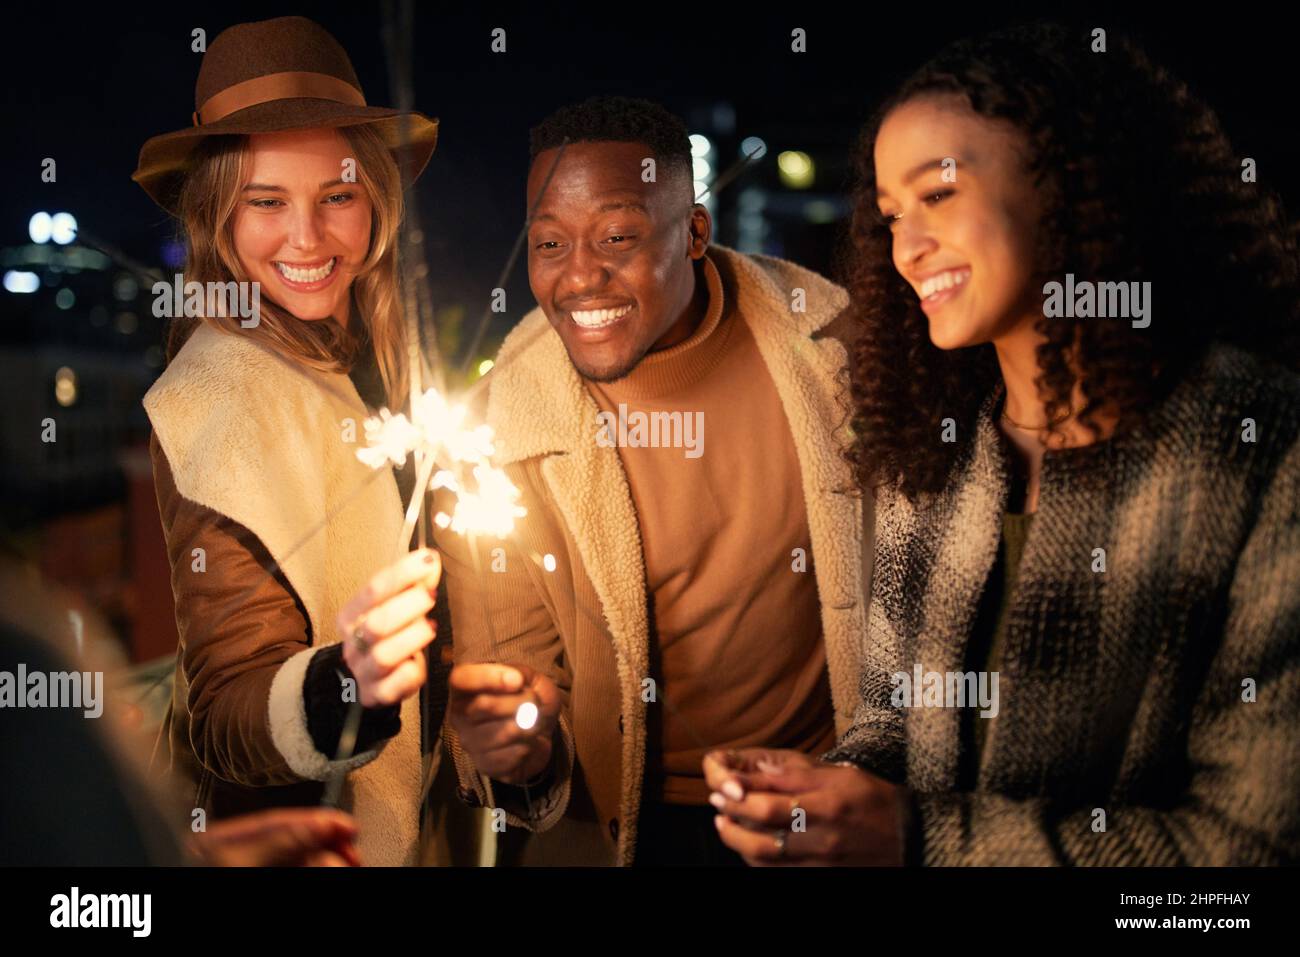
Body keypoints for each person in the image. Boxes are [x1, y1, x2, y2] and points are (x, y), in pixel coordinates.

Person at [707, 22, 1300, 866]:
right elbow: (893, 721)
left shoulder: (1260, 450)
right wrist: (823, 793)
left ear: (1069, 183)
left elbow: (1245, 856)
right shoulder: (936, 458)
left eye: (939, 194)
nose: (906, 247)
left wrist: (919, 840)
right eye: (889, 214)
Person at [437, 96, 868, 865]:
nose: (578, 277)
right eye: (547, 243)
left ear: (695, 231)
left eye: (617, 236)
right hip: (618, 833)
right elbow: (514, 680)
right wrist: (515, 748)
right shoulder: (502, 422)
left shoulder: (833, 351)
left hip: (820, 809)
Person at [134, 16, 470, 866]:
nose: (309, 238)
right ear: (218, 218)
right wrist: (342, 682)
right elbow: (225, 709)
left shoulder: (372, 354)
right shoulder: (215, 394)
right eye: (266, 202)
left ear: (377, 202)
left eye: (338, 196)